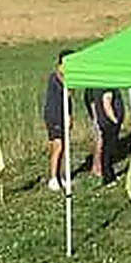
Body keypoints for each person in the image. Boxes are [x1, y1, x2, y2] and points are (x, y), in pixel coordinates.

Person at [43, 50, 75, 192]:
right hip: (54, 116)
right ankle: (53, 179)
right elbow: (65, 90)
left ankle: (59, 175)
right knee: (58, 146)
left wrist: (69, 115)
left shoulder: (67, 78)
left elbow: (69, 98)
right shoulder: (55, 77)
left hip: (63, 115)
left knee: (63, 147)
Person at [86, 85, 124, 186]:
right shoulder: (106, 86)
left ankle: (99, 168)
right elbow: (106, 103)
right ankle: (106, 175)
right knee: (107, 149)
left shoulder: (94, 87)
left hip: (103, 121)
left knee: (105, 146)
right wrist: (115, 120)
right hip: (108, 123)